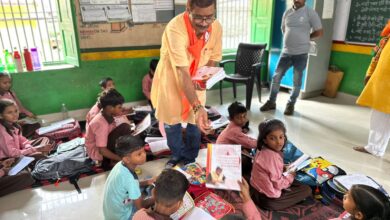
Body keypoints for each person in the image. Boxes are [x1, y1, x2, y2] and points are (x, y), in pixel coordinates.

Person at [151, 0, 222, 168]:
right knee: (172, 121)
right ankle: (176, 154)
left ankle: (190, 157)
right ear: (188, 10)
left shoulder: (216, 27)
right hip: (173, 81)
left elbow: (213, 57)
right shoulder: (175, 28)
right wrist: (197, 106)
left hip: (197, 81)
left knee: (196, 122)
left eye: (209, 17)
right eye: (198, 18)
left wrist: (204, 78)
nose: (204, 23)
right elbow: (182, 73)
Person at [260, 0, 323, 115]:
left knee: (297, 81)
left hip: (301, 54)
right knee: (276, 77)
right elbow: (283, 29)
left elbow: (319, 32)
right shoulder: (287, 12)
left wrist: (306, 38)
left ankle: (291, 104)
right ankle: (271, 102)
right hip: (286, 52)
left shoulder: (310, 13)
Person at [250, 119, 312, 210]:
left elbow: (267, 167)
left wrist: (282, 167)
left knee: (294, 182)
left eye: (281, 137)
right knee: (306, 190)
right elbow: (278, 184)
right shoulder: (272, 157)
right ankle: (280, 202)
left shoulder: (261, 149)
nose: (279, 142)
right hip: (268, 199)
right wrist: (291, 175)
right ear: (265, 140)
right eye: (272, 138)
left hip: (255, 188)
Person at [353, 21, 390, 157]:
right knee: (379, 116)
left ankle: (376, 148)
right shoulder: (386, 37)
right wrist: (369, 73)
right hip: (382, 84)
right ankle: (374, 147)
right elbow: (376, 56)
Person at [103, 135, 155, 220]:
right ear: (127, 159)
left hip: (111, 213)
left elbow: (127, 184)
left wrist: (147, 182)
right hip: (122, 217)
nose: (144, 155)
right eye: (139, 154)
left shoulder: (120, 164)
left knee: (148, 180)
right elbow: (140, 208)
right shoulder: (130, 180)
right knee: (155, 206)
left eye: (144, 151)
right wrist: (155, 198)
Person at [85, 89, 132, 168]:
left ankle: (117, 155)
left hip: (104, 144)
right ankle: (111, 160)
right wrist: (121, 159)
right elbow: (102, 150)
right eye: (119, 107)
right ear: (110, 108)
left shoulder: (106, 114)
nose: (121, 109)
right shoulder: (101, 123)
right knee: (125, 128)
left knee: (126, 130)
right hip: (98, 152)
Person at [0, 72, 40, 137]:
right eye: (5, 83)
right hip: (6, 121)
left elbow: (20, 107)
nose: (8, 85)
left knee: (36, 125)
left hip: (18, 117)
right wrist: (15, 122)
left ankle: (23, 139)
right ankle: (19, 140)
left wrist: (29, 114)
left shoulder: (11, 93)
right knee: (15, 129)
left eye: (9, 82)